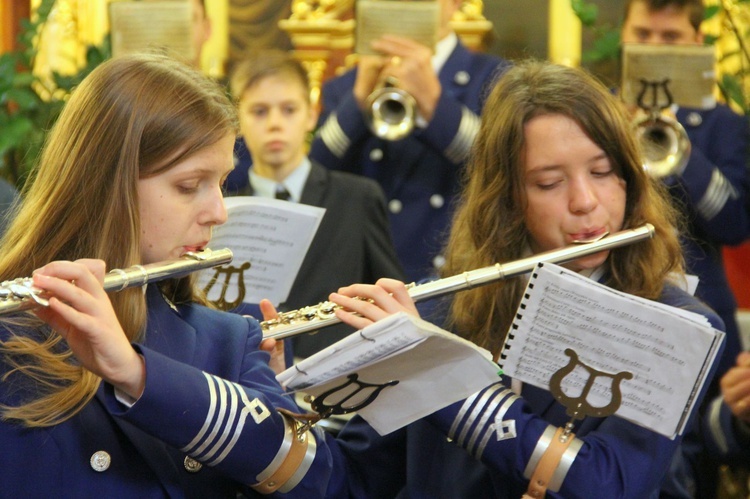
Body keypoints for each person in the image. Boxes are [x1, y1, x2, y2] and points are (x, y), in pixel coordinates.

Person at [319, 60, 725, 498]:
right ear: (508, 199)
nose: (586, 202)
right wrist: (264, 408)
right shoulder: (443, 313)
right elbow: (350, 480)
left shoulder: (680, 326)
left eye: (603, 172)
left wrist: (435, 371)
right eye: (550, 182)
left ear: (630, 177)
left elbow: (607, 485)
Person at [0, 53, 336, 497]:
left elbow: (316, 479)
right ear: (107, 184)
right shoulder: (10, 332)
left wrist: (141, 376)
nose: (217, 212)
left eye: (220, 183)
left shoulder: (230, 339)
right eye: (188, 185)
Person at [621, 1, 750, 495]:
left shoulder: (724, 126)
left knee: (693, 469)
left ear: (696, 42)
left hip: (701, 323)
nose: (653, 48)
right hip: (619, 314)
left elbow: (735, 222)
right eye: (643, 33)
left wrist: (679, 147)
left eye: (670, 37)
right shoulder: (601, 112)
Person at [308, 0, 508, 282]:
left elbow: (501, 167)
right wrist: (357, 102)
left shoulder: (492, 78)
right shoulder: (344, 86)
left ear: (455, 4)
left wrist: (436, 105)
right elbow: (316, 175)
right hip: (365, 273)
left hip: (453, 269)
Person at [228, 50, 405, 359]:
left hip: (343, 379)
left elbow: (389, 296)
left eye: (288, 109)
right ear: (237, 120)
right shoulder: (225, 211)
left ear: (312, 114)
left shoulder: (357, 197)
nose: (274, 124)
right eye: (259, 111)